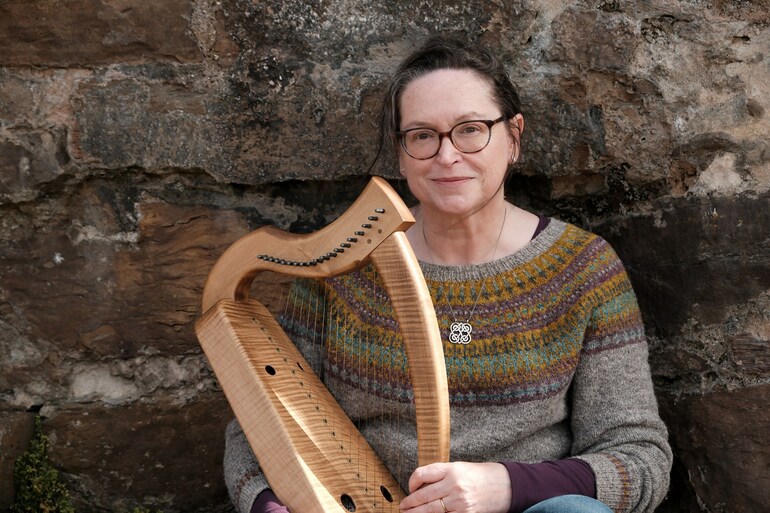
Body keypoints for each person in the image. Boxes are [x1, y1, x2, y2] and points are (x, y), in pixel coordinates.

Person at [223, 35, 672, 513]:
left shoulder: (582, 269)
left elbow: (640, 458)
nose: (447, 155)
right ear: (401, 153)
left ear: (514, 136)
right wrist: (270, 506)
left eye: (470, 129)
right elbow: (260, 421)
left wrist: (506, 486)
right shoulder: (344, 271)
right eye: (422, 135)